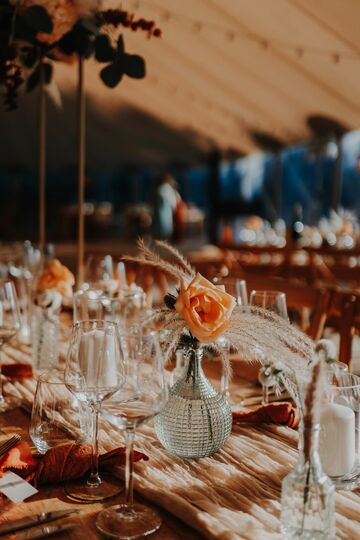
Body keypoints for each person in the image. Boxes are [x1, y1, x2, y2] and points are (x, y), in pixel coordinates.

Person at [152, 174, 178, 240]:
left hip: (161, 210)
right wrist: (174, 207)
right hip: (166, 210)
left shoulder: (160, 189)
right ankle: (164, 238)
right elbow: (173, 201)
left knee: (161, 225)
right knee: (165, 225)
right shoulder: (167, 189)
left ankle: (161, 238)